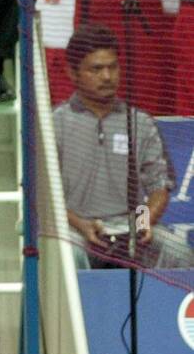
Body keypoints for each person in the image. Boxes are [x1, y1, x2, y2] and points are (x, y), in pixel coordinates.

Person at [52, 25, 185, 270]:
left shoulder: (140, 122)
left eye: (113, 67)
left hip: (129, 228)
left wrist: (143, 221)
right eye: (96, 69)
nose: (107, 76)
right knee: (67, 253)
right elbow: (43, 195)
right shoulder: (54, 123)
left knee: (178, 250)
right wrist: (80, 223)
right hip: (76, 230)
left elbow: (159, 186)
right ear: (73, 73)